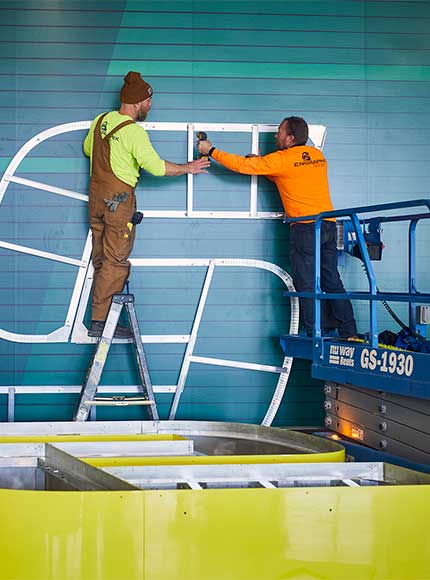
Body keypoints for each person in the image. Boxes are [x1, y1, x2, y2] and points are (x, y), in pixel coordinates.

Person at [197, 116, 357, 339]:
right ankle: (350, 332)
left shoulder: (282, 158)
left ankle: (314, 334)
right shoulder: (318, 156)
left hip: (306, 228)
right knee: (331, 279)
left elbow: (244, 166)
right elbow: (291, 177)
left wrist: (211, 150)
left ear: (290, 138)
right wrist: (266, 167)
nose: (275, 135)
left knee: (306, 282)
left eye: (280, 132)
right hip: (329, 226)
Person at [83, 71, 210, 338]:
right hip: (118, 201)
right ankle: (101, 322)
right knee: (115, 261)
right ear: (137, 102)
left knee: (101, 259)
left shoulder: (100, 121)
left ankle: (98, 317)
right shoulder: (133, 132)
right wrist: (188, 168)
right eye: (148, 101)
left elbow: (88, 149)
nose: (150, 106)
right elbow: (156, 167)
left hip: (96, 199)